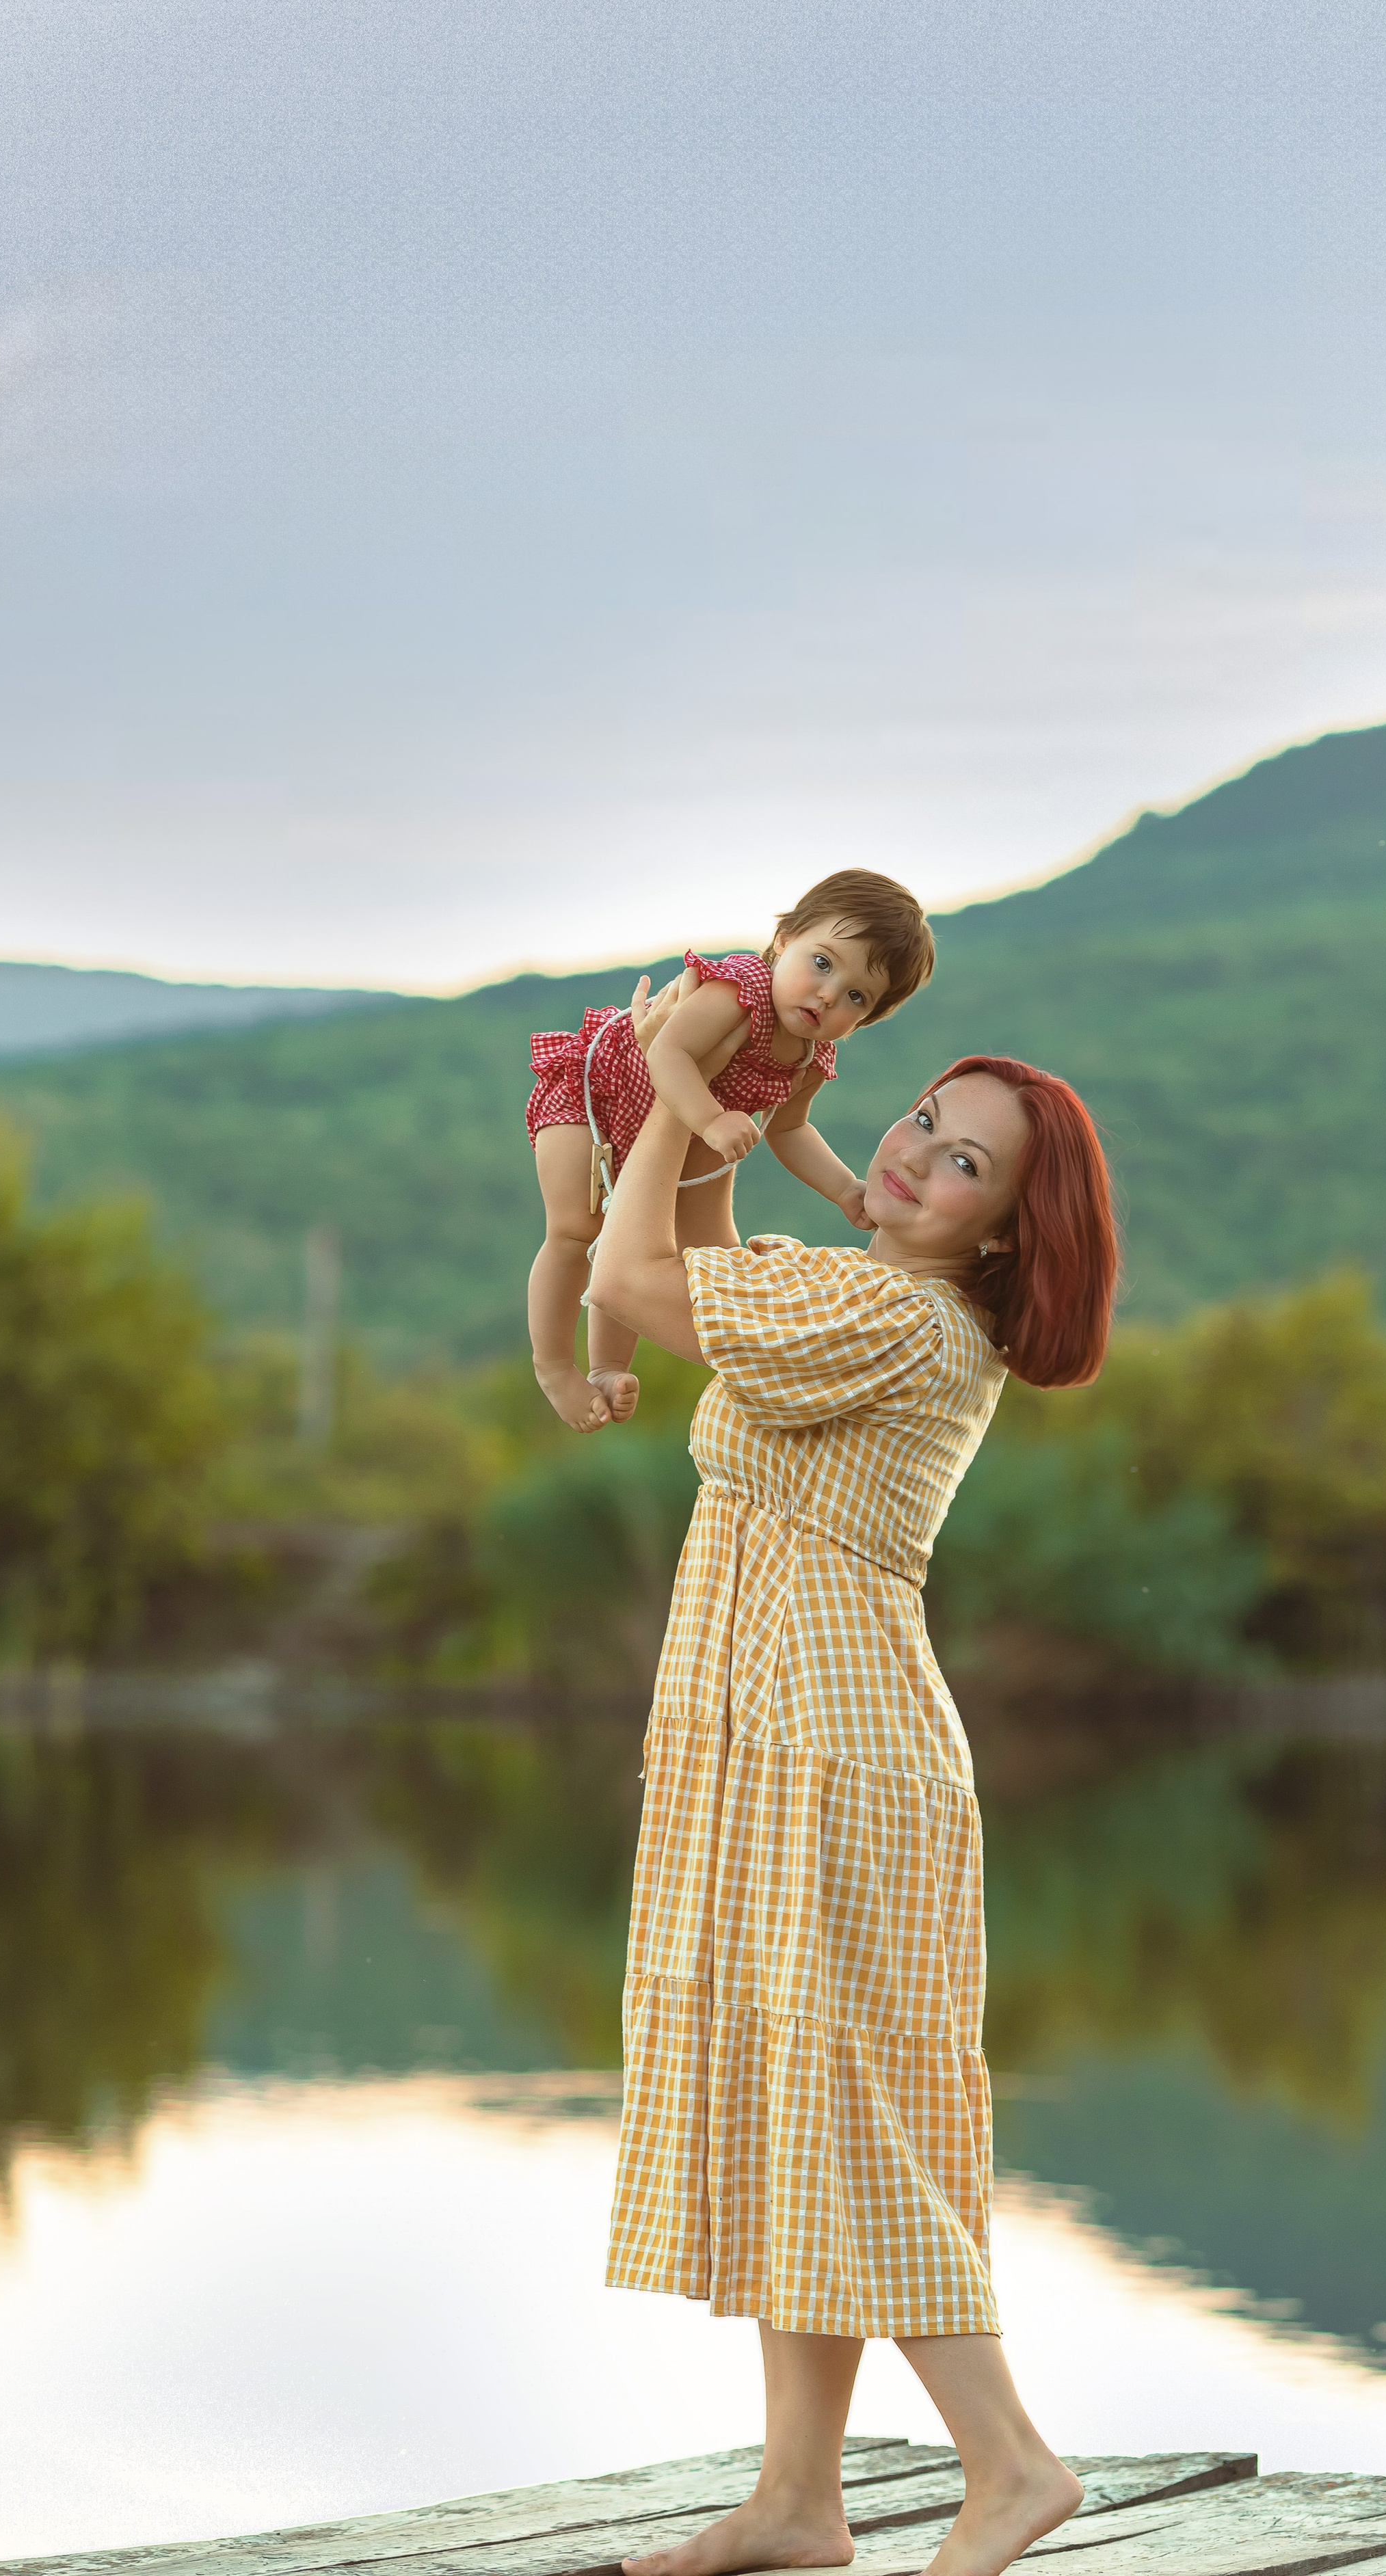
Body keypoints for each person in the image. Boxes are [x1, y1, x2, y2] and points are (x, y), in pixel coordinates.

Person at [587, 1013, 1119, 2576]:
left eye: (961, 1160)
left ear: (1003, 1225)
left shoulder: (900, 1319)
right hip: (776, 1727)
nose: (905, 1152)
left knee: (843, 2106)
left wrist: (652, 1111)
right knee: (789, 2094)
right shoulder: (853, 1285)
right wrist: (712, 1102)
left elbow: (627, 1281)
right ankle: (799, 2499)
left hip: (830, 1741)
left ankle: (1010, 2460)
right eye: (915, 1118)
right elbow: (700, 1246)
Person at [524, 870, 935, 1435]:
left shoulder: (809, 1058)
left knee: (640, 1237)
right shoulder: (740, 991)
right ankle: (551, 1365)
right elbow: (668, 1050)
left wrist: (845, 1189)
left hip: (660, 1136)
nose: (827, 995)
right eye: (823, 963)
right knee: (577, 1229)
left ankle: (608, 1366)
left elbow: (790, 1131)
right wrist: (712, 1120)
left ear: (866, 1019)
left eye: (856, 997)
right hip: (596, 1097)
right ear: (786, 937)